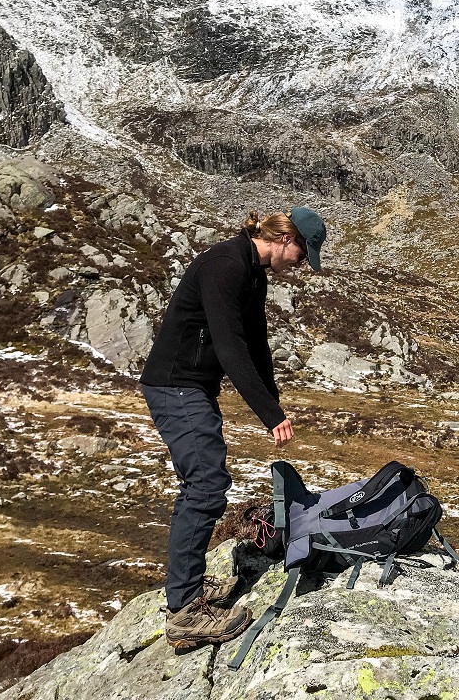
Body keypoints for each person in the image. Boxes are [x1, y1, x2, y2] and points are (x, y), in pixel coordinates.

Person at [139, 207, 326, 651]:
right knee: (205, 485)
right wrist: (268, 413)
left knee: (205, 482)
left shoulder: (252, 271)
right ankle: (185, 611)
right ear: (285, 239)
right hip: (174, 387)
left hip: (192, 389)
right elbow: (228, 346)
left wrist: (274, 404)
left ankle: (188, 591)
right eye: (303, 253)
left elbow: (255, 342)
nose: (301, 263)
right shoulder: (225, 265)